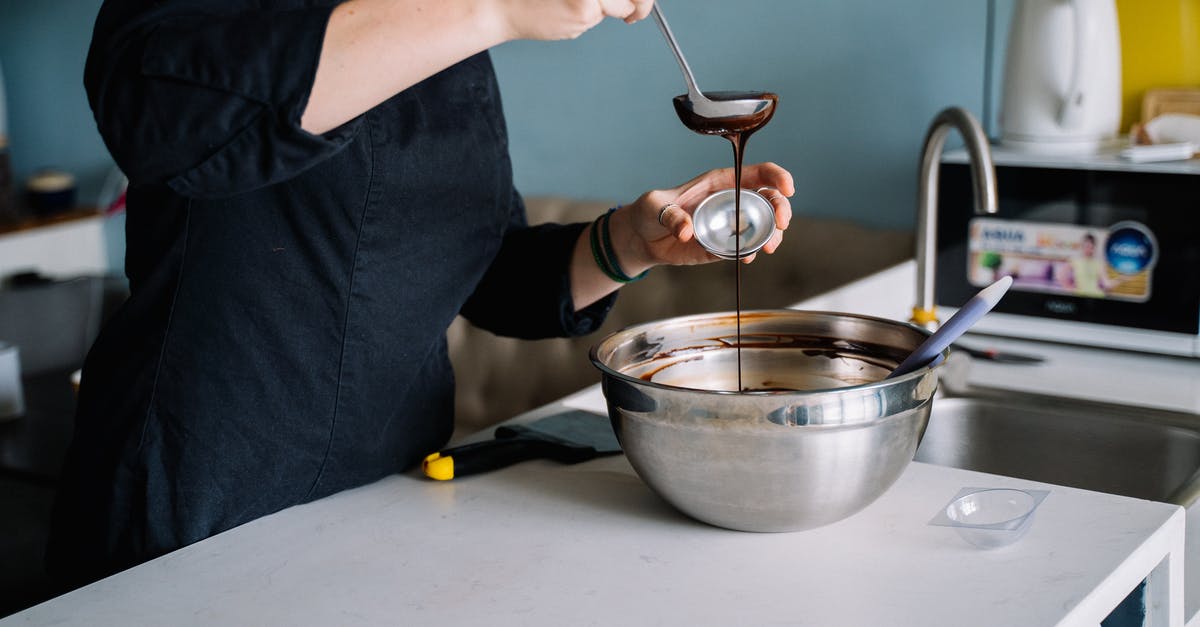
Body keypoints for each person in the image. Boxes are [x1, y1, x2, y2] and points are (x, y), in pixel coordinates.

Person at [47, 0, 795, 586]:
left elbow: (483, 270)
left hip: (391, 508)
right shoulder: (455, 12)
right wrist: (489, 7)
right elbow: (157, 119)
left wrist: (630, 241)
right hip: (189, 516)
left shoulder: (449, 43)